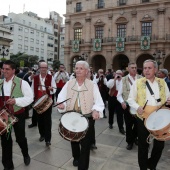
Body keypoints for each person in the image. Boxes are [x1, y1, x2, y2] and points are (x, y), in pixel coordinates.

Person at [56, 61, 104, 170]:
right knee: (73, 141)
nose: (78, 70)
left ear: (86, 71)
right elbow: (61, 98)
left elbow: (99, 102)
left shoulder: (92, 85)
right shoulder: (69, 83)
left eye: (81, 68)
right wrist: (61, 104)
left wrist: (96, 110)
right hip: (71, 117)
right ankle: (76, 157)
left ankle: (82, 167)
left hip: (87, 118)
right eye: (76, 68)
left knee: (86, 146)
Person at [127, 59, 170, 170]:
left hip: (159, 119)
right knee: (143, 146)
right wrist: (137, 107)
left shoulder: (162, 82)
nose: (146, 70)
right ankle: (143, 167)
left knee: (160, 145)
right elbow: (130, 99)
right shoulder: (138, 82)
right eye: (145, 68)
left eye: (149, 68)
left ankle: (151, 165)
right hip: (143, 118)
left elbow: (168, 96)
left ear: (155, 69)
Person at [0, 60, 33, 170]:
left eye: (7, 69)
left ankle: (25, 154)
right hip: (4, 117)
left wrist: (16, 101)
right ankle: (8, 166)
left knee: (20, 138)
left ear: (13, 70)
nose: (4, 71)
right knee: (5, 141)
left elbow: (30, 98)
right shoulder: (0, 83)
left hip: (18, 115)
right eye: (3, 69)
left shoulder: (22, 83)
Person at [117, 62, 142, 150]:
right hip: (127, 106)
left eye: (135, 67)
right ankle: (129, 142)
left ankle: (135, 137)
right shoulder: (123, 79)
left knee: (137, 125)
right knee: (128, 125)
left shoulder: (141, 78)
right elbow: (119, 95)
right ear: (128, 68)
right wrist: (122, 102)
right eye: (132, 68)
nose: (134, 69)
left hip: (138, 106)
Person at [31, 62, 56, 147]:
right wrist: (33, 100)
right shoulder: (35, 78)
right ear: (39, 68)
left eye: (45, 67)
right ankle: (42, 134)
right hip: (38, 101)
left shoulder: (50, 77)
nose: (44, 69)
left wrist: (52, 89)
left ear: (47, 68)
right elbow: (32, 89)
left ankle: (48, 139)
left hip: (47, 102)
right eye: (42, 67)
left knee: (47, 121)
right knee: (40, 120)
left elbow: (54, 89)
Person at [107, 70, 125, 135]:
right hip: (112, 97)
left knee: (120, 113)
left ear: (122, 74)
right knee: (111, 111)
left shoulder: (124, 81)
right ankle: (110, 123)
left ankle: (121, 127)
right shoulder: (111, 80)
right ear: (115, 74)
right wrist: (114, 79)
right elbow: (108, 85)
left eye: (120, 73)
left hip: (120, 98)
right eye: (117, 73)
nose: (118, 75)